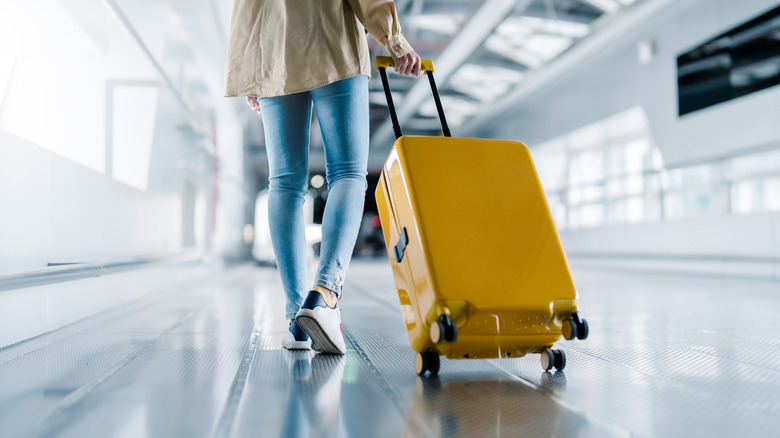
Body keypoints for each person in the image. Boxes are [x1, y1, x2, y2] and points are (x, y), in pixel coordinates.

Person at [224, 0, 421, 354]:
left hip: (273, 54)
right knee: (347, 172)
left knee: (284, 182)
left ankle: (296, 320)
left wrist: (248, 71)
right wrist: (394, 40)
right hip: (334, 44)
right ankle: (326, 293)